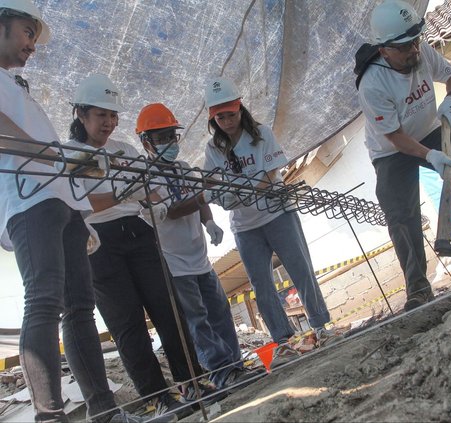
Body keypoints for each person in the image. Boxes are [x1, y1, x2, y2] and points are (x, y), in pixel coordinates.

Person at [0, 2, 172, 422]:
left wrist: (77, 206)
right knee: (43, 302)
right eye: (26, 32)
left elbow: (50, 157)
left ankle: (105, 411)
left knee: (78, 308)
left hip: (61, 204)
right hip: (29, 202)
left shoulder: (13, 85)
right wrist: (52, 158)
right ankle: (49, 416)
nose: (32, 46)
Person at [64, 75, 223, 420]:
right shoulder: (72, 154)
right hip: (100, 243)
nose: (108, 123)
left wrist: (147, 201)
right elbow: (85, 203)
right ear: (80, 114)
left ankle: (192, 381)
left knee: (168, 309)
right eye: (100, 115)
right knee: (128, 323)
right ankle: (158, 396)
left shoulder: (125, 150)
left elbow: (149, 194)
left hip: (139, 231)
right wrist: (127, 194)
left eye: (113, 116)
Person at [202, 77, 338, 369]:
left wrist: (239, 194)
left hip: (278, 213)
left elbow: (270, 174)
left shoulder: (260, 134)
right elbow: (210, 184)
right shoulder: (213, 149)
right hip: (245, 227)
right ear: (214, 118)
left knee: (300, 270)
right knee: (261, 286)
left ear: (240, 108)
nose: (226, 120)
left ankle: (321, 326)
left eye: (230, 113)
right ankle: (283, 340)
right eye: (220, 116)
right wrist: (222, 199)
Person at [355, 0, 451, 311]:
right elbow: (396, 138)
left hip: (431, 129)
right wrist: (431, 156)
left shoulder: (419, 51)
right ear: (384, 50)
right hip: (391, 150)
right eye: (404, 47)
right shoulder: (371, 84)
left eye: (415, 41)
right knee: (397, 209)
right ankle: (419, 289)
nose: (413, 50)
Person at [135, 102, 261, 391]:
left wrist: (209, 222)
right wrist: (207, 196)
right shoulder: (146, 176)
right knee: (197, 319)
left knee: (219, 311)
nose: (169, 143)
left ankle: (235, 366)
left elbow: (197, 198)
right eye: (162, 137)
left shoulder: (183, 169)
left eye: (171, 136)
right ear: (146, 142)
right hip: (173, 261)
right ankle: (220, 372)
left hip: (199, 257)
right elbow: (175, 209)